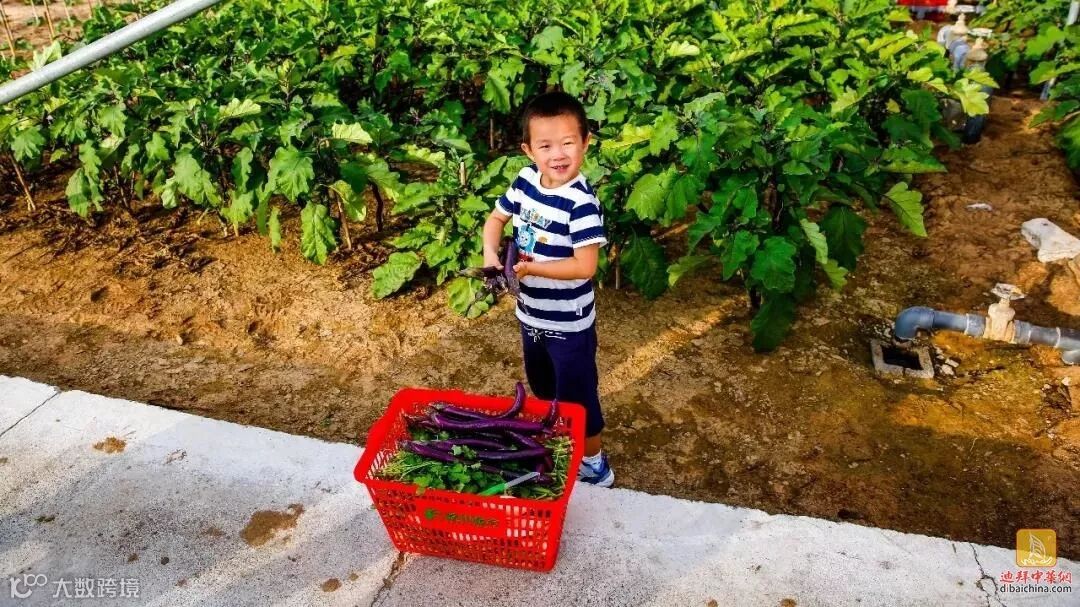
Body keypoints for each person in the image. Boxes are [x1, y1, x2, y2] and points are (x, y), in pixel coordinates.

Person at [480, 91, 614, 487]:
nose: (558, 154)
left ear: (586, 142)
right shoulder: (525, 182)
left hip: (568, 323)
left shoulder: (581, 204)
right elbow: (496, 219)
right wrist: (490, 254)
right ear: (528, 150)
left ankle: (594, 465)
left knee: (578, 396)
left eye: (568, 143)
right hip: (531, 315)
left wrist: (531, 268)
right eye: (546, 146)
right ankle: (560, 440)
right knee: (543, 386)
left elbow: (585, 267)